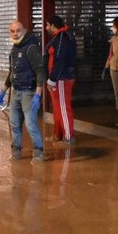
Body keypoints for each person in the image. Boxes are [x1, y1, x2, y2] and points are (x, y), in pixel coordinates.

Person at [3, 20, 45, 161]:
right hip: (16, 92)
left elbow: (40, 70)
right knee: (14, 124)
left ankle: (38, 153)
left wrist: (38, 94)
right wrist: (3, 90)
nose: (15, 34)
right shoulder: (14, 48)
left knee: (30, 124)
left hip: (29, 92)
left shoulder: (31, 48)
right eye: (12, 31)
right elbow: (12, 71)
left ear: (25, 31)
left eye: (18, 30)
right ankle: (16, 152)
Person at [44, 15, 77, 145]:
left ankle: (68, 138)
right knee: (57, 108)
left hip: (62, 78)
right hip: (57, 78)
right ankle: (58, 135)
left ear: (53, 25)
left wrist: (52, 79)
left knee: (63, 107)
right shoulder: (59, 37)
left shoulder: (63, 37)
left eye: (47, 25)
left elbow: (59, 59)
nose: (46, 28)